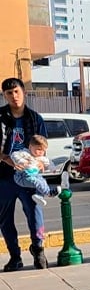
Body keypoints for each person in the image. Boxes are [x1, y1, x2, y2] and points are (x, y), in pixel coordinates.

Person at [1, 77, 49, 272]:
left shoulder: (35, 118)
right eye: (9, 93)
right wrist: (6, 158)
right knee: (4, 217)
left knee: (34, 212)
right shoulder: (1, 117)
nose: (14, 96)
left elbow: (43, 146)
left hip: (30, 175)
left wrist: (38, 162)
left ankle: (38, 250)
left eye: (17, 92)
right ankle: (15, 256)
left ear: (24, 93)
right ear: (4, 96)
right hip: (5, 174)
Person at [11, 135, 61, 207]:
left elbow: (49, 163)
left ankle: (39, 196)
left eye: (43, 150)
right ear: (30, 147)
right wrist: (21, 161)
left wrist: (53, 169)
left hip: (34, 175)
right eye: (39, 149)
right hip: (22, 176)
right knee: (36, 182)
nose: (41, 152)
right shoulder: (25, 153)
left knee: (42, 181)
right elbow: (14, 155)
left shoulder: (42, 158)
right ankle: (49, 193)